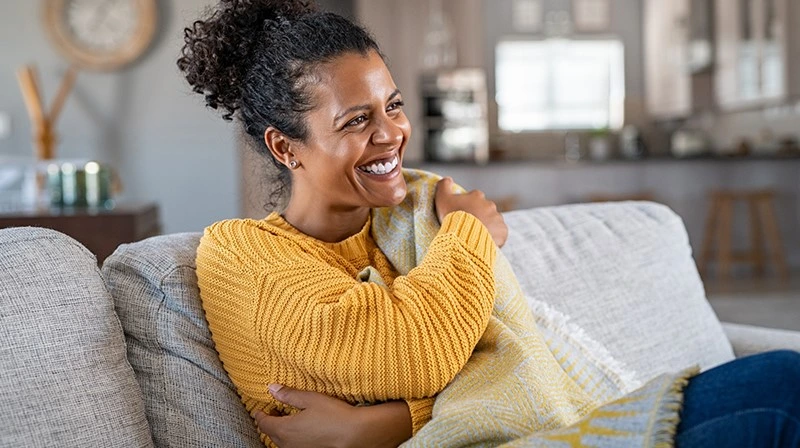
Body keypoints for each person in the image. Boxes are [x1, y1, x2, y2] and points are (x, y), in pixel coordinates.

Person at [179, 1, 800, 447]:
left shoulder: (411, 215)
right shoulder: (239, 253)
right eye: (356, 120)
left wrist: (384, 424)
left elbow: (497, 356)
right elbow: (410, 350)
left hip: (547, 431)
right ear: (285, 147)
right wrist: (470, 232)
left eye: (393, 106)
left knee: (782, 379)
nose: (391, 133)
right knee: (783, 391)